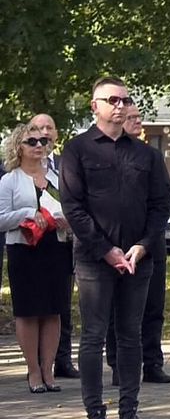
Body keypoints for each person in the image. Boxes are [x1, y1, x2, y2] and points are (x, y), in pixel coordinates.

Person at [60, 77, 170, 419]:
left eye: (125, 100)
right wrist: (105, 250)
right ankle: (96, 418)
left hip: (137, 259)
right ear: (95, 106)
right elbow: (73, 207)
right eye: (112, 100)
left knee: (130, 338)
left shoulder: (146, 154)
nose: (121, 106)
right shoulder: (77, 150)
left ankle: (129, 415)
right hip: (95, 259)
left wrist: (142, 245)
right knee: (93, 337)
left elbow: (161, 205)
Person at [105, 103, 170, 385]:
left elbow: (163, 199)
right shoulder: (107, 156)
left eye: (138, 118)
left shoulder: (152, 157)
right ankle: (118, 366)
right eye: (130, 117)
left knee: (153, 307)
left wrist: (148, 239)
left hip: (151, 245)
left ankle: (153, 362)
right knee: (116, 310)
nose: (135, 122)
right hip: (115, 247)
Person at [0, 124, 71, 393]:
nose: (39, 145)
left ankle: (49, 370)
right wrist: (28, 214)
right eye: (32, 141)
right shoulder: (10, 180)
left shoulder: (55, 176)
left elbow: (68, 206)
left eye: (43, 140)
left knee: (53, 310)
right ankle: (33, 371)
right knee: (29, 311)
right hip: (25, 250)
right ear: (19, 147)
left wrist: (67, 221)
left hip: (55, 248)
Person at [30, 112, 80, 380]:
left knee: (62, 302)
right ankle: (37, 364)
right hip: (31, 244)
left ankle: (62, 359)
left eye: (49, 127)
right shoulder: (16, 168)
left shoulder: (64, 165)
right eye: (37, 128)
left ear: (56, 134)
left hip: (62, 243)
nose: (44, 133)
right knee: (35, 303)